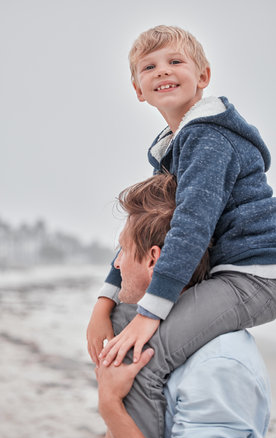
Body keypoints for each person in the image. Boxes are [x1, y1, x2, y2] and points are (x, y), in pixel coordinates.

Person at [87, 24, 276, 366]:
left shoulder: (209, 139)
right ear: (138, 90)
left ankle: (127, 419)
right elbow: (142, 230)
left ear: (203, 76)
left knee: (143, 355)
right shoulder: (176, 146)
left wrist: (151, 312)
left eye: (175, 61)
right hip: (227, 273)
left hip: (256, 275)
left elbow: (191, 225)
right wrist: (106, 300)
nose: (162, 70)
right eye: (149, 67)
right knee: (120, 324)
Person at [95, 173, 271, 438]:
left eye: (124, 250)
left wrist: (111, 406)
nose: (116, 264)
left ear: (154, 259)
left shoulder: (219, 364)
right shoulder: (142, 339)